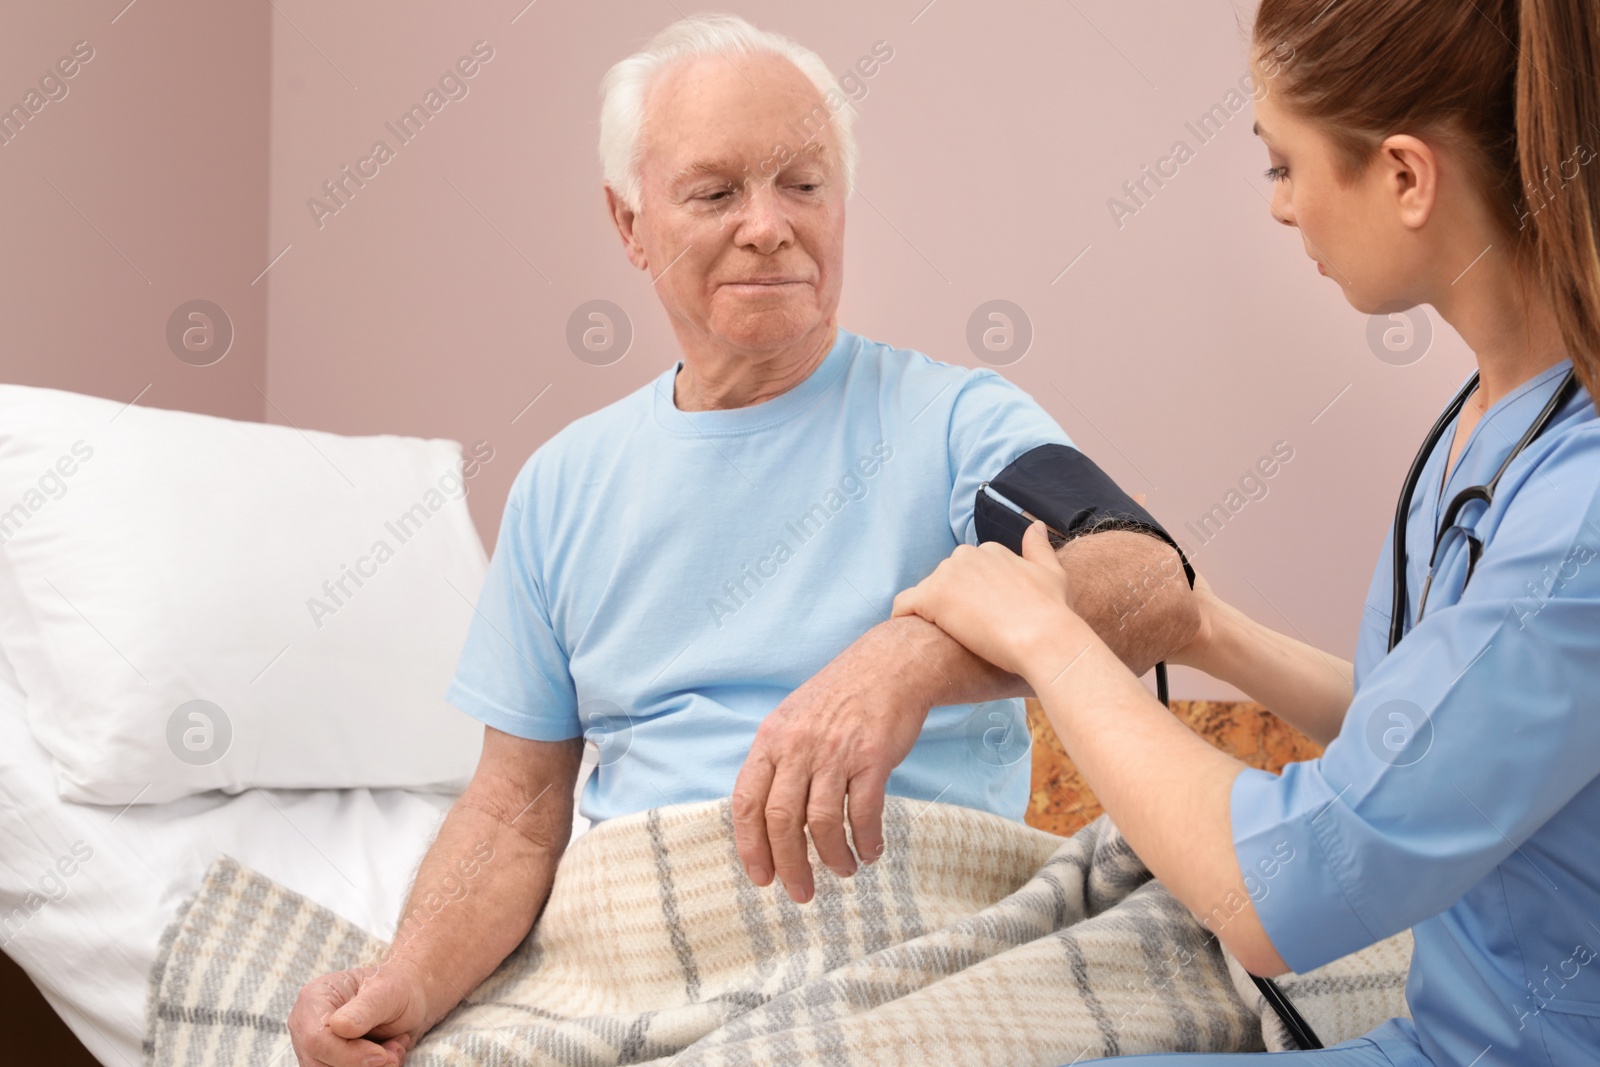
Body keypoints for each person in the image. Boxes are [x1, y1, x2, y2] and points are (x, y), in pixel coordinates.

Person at [287, 15, 1197, 1067]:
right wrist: (405, 976)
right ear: (629, 224)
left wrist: (904, 658)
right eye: (716, 193)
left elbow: (1146, 577)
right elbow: (514, 811)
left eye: (802, 184)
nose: (767, 226)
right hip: (639, 952)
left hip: (911, 947)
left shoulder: (958, 425)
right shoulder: (563, 487)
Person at [891, 0, 1600, 1063]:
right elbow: (1435, 744)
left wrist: (1051, 640)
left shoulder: (1575, 510)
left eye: (1282, 165)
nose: (1278, 208)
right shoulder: (1490, 422)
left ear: (1405, 176)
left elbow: (1285, 888)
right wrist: (1207, 628)